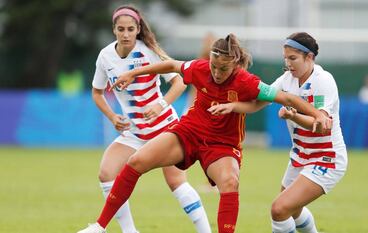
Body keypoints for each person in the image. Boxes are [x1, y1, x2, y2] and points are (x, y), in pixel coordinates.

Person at [77, 33, 332, 233]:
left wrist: (318, 114)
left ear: (234, 65)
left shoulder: (247, 82)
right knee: (136, 161)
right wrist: (132, 72)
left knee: (230, 182)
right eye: (213, 66)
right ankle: (100, 226)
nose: (217, 73)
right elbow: (169, 66)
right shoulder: (199, 68)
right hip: (190, 132)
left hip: (222, 145)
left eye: (223, 69)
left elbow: (284, 97)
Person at [86, 5, 211, 233]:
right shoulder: (105, 56)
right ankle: (130, 231)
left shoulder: (149, 51)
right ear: (114, 29)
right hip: (134, 132)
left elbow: (180, 82)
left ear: (138, 29)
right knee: (106, 173)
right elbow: (97, 92)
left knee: (176, 182)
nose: (125, 34)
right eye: (121, 29)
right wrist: (113, 116)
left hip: (166, 129)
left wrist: (160, 104)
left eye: (130, 29)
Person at [209, 32, 348, 233]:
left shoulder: (323, 81)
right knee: (293, 210)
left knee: (279, 209)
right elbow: (258, 103)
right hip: (300, 157)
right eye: (285, 58)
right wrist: (232, 106)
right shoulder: (286, 80)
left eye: (293, 58)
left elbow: (320, 124)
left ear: (309, 57)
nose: (288, 64)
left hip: (326, 158)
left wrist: (294, 117)